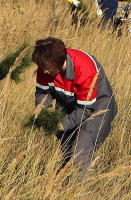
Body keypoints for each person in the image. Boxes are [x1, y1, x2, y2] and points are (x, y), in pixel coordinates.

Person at [32, 37, 117, 176]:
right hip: (69, 105)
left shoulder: (84, 68)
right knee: (66, 151)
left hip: (95, 109)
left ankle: (81, 192)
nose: (43, 71)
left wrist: (61, 124)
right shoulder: (45, 67)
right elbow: (43, 92)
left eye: (46, 68)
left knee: (79, 153)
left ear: (58, 62)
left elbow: (85, 110)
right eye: (40, 67)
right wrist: (40, 107)